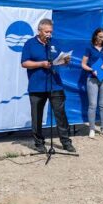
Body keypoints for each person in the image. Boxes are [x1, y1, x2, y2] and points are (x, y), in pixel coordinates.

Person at [21, 18, 76, 153]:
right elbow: (24, 63)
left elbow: (58, 60)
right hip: (37, 86)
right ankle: (39, 143)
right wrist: (41, 64)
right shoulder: (29, 44)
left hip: (55, 84)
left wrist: (65, 61)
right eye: (46, 32)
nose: (49, 34)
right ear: (39, 31)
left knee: (60, 114)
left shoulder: (54, 43)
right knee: (37, 115)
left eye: (50, 32)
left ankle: (66, 142)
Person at [81, 28, 103, 139]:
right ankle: (92, 129)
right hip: (92, 78)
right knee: (93, 105)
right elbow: (83, 64)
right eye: (99, 36)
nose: (101, 39)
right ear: (95, 36)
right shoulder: (89, 48)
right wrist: (90, 70)